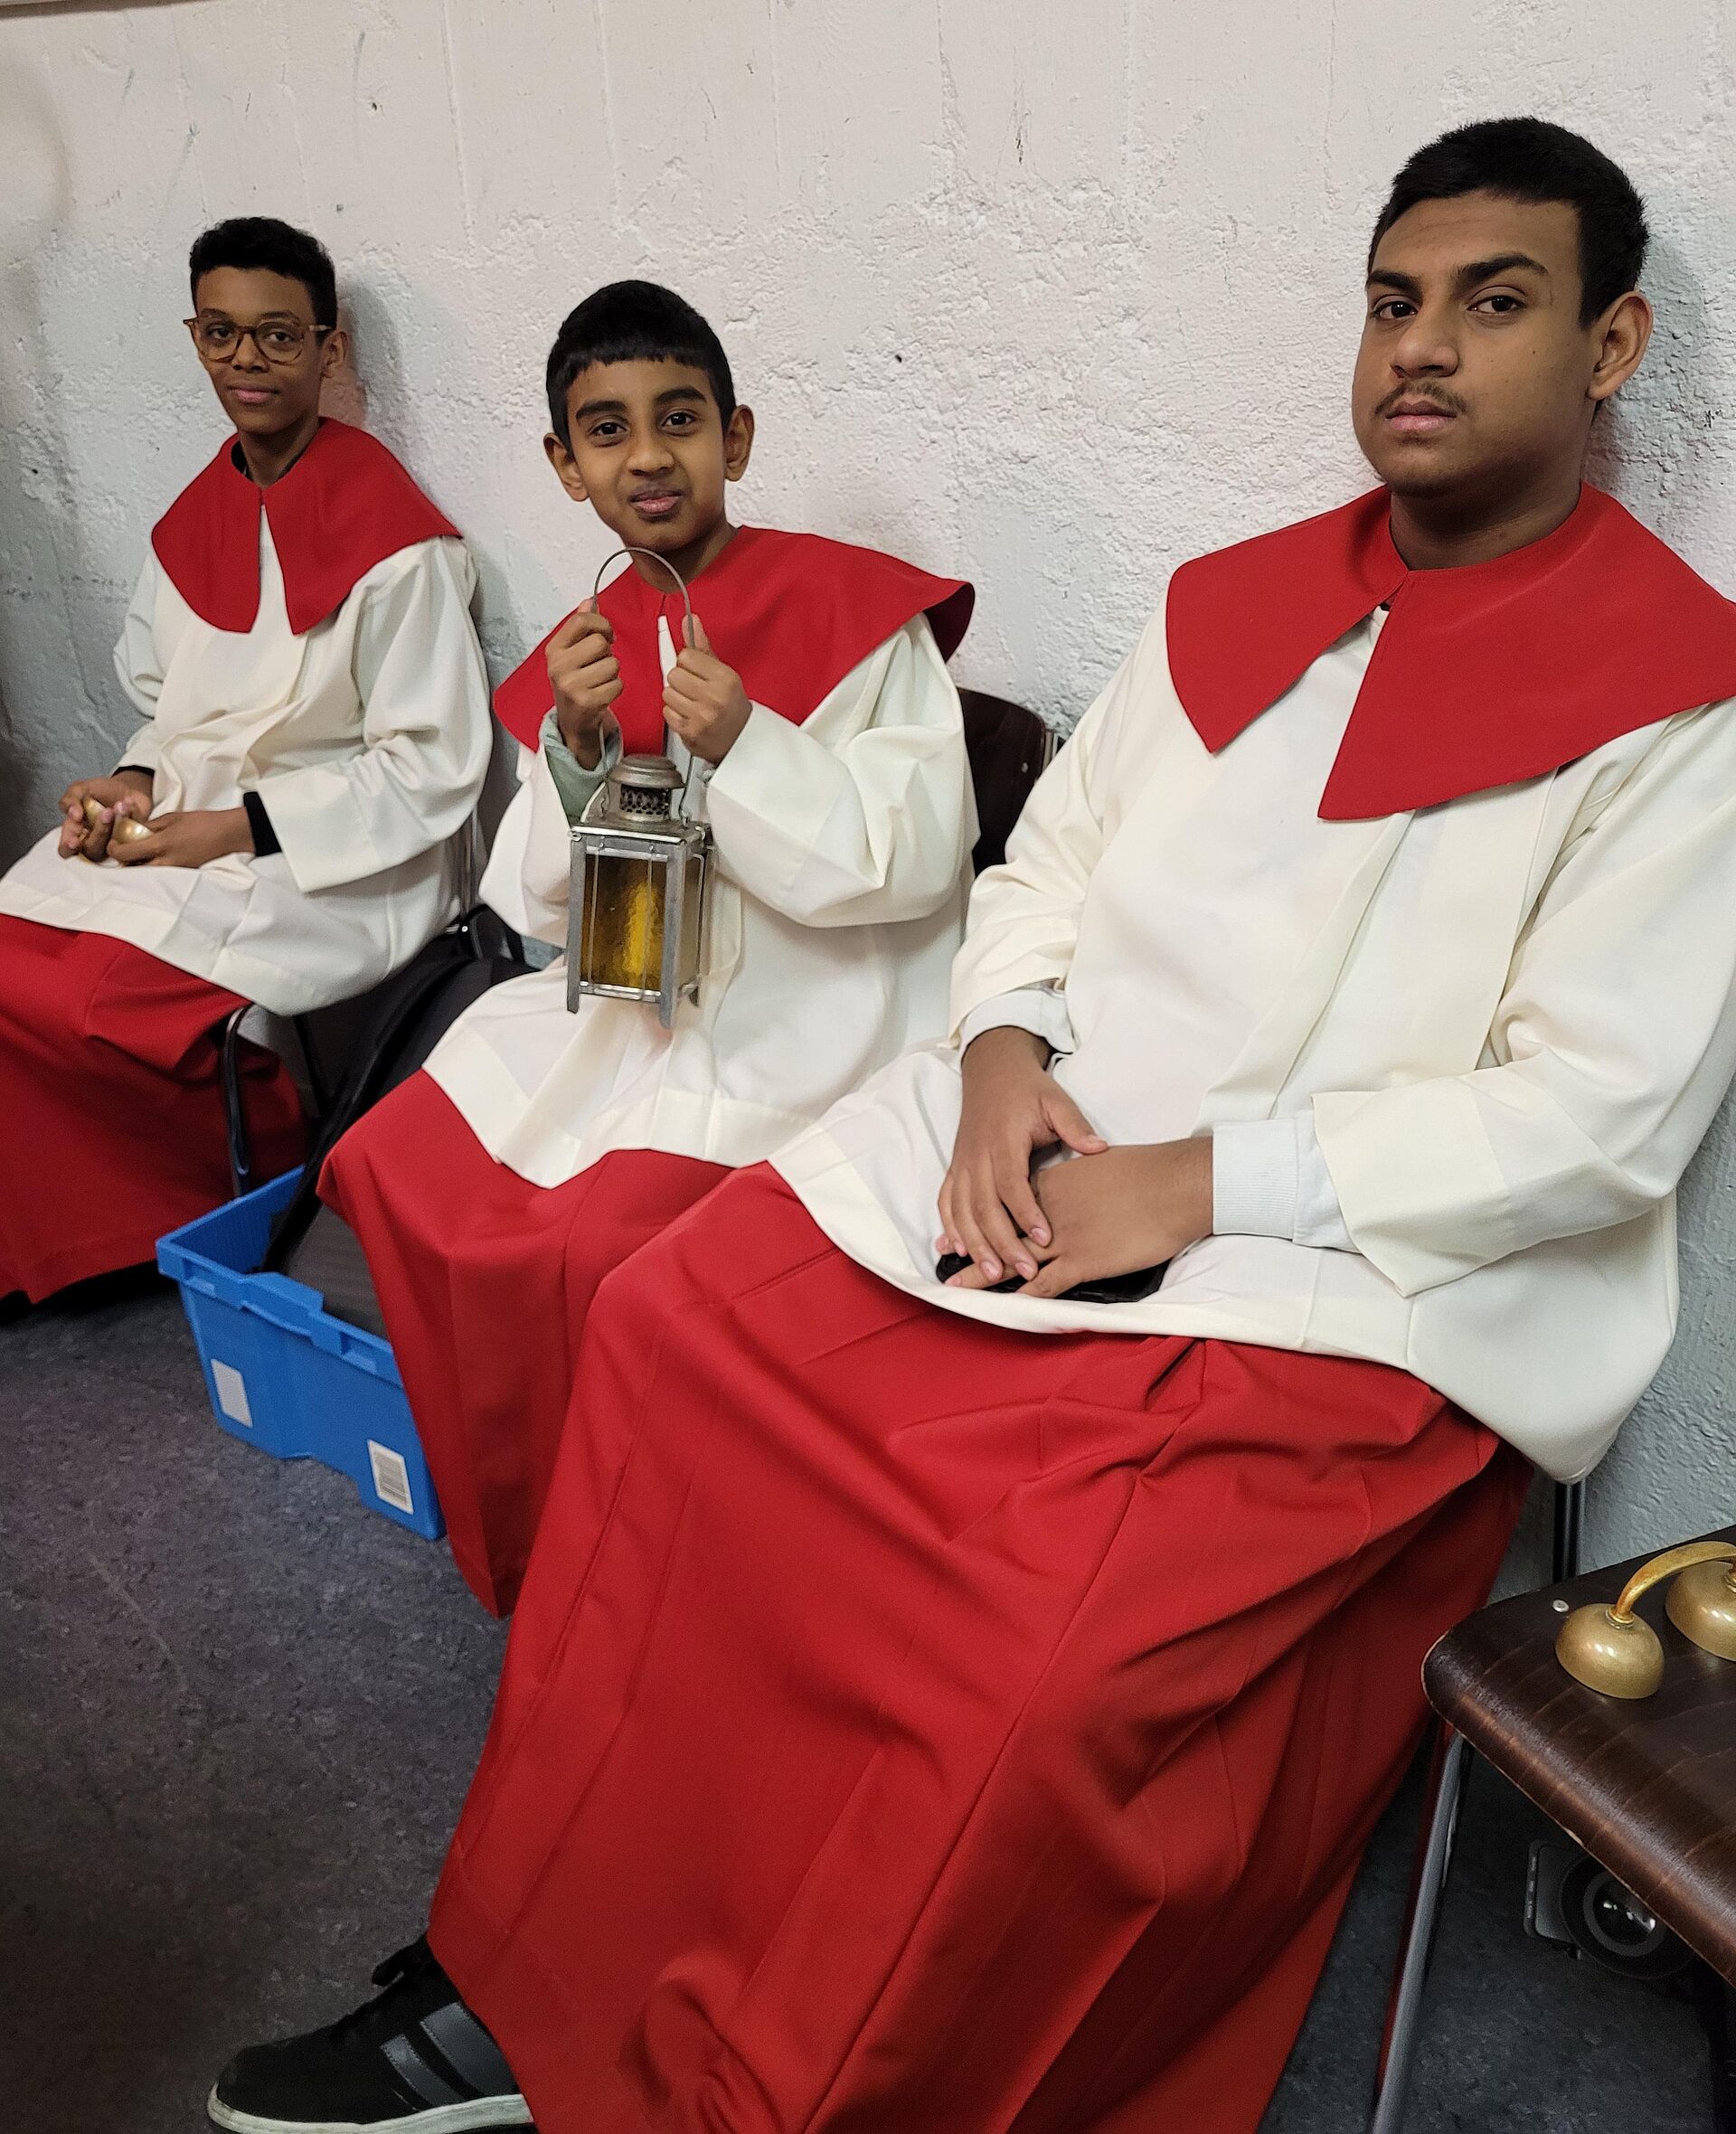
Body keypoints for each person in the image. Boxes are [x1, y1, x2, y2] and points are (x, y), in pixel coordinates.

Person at [211, 118, 1736, 2134]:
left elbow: (1597, 1116)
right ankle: (532, 1971)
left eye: (1495, 301)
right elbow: (1042, 879)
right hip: (1048, 1140)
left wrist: (1193, 1186)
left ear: (1614, 345)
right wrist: (1005, 1051)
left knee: (1032, 1647)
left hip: (1354, 1276)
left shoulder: (1680, 700)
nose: (1422, 347)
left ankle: (794, 2084)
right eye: (1393, 301)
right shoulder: (1226, 606)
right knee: (668, 1335)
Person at [319, 280, 976, 1616]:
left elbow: (911, 859)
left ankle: (642, 1571)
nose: (648, 456)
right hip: (636, 1001)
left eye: (679, 419)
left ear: (737, 436)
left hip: (813, 1008)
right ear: (566, 466)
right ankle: (535, 1539)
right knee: (393, 1160)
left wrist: (749, 742)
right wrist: (570, 747)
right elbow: (538, 901)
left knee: (594, 1252)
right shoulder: (590, 643)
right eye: (606, 430)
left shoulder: (860, 614)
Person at [0, 217, 491, 1307]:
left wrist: (230, 828)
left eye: (277, 334)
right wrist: (129, 785)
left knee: (98, 1000)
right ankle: (47, 1233)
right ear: (195, 338)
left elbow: (430, 767)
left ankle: (227, 1183)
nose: (247, 360)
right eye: (221, 333)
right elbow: (172, 717)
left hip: (343, 851)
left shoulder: (397, 543)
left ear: (328, 346)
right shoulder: (192, 523)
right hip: (193, 820)